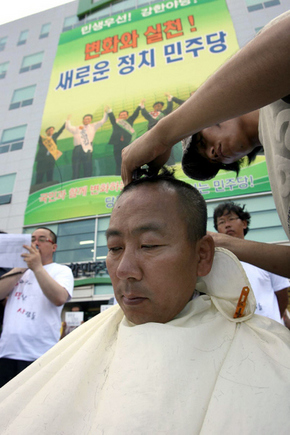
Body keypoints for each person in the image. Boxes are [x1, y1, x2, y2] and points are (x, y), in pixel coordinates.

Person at [0, 169, 289, 434]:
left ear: (202, 255)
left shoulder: (273, 357)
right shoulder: (75, 349)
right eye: (114, 248)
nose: (124, 269)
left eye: (149, 245)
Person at [121, 11, 290, 278]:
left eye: (200, 139)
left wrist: (162, 134)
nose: (213, 152)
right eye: (212, 159)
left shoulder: (274, 88)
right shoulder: (277, 170)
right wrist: (222, 243)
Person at [0, 227, 74, 387]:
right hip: (7, 351)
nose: (35, 243)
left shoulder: (61, 270)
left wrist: (37, 267)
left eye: (42, 239)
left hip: (40, 353)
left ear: (54, 247)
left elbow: (59, 298)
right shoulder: (19, 271)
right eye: (32, 239)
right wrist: (21, 267)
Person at [213, 201, 289, 324]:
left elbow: (282, 296)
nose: (227, 225)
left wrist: (271, 322)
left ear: (244, 223)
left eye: (231, 219)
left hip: (271, 333)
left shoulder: (264, 254)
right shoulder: (214, 263)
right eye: (221, 222)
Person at [66, 110, 108, 179]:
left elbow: (103, 121)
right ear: (83, 120)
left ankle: (87, 180)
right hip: (77, 148)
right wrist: (68, 119)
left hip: (87, 148)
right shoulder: (78, 128)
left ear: (90, 120)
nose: (86, 120)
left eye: (88, 119)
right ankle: (75, 180)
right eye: (85, 119)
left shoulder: (93, 126)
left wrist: (106, 112)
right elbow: (68, 127)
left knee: (87, 166)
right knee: (76, 166)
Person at [107, 105, 141, 175]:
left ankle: (130, 174)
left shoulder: (129, 121)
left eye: (124, 114)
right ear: (119, 116)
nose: (123, 116)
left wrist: (140, 105)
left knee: (128, 159)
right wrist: (109, 110)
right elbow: (112, 117)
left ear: (127, 116)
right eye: (121, 115)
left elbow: (135, 114)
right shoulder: (116, 122)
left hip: (127, 143)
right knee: (118, 160)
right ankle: (118, 175)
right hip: (117, 144)